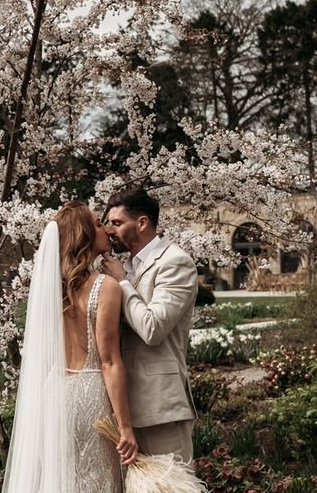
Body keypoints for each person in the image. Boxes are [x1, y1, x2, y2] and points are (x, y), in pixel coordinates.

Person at [2, 201, 137, 493]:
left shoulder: (52, 288)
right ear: (85, 235)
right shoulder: (105, 287)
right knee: (97, 482)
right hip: (91, 398)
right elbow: (109, 361)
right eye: (98, 224)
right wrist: (125, 426)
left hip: (53, 394)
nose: (106, 229)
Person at [102, 187, 198, 462]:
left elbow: (153, 329)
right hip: (122, 410)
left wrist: (122, 283)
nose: (110, 231)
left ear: (142, 223)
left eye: (117, 223)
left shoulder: (175, 262)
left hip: (160, 407)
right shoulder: (125, 267)